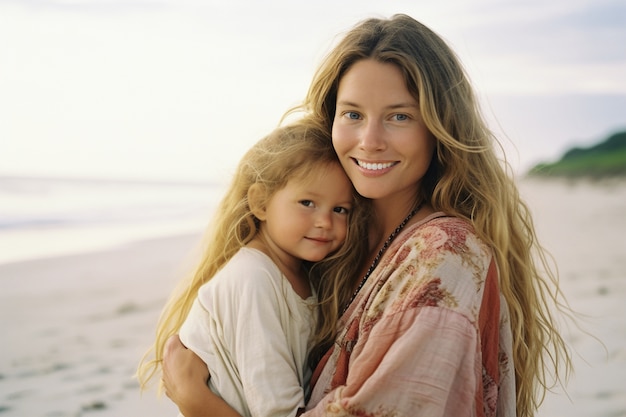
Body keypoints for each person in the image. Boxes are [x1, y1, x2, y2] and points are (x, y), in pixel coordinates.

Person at [160, 14, 573, 417]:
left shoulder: (446, 256)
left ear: (439, 127)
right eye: (353, 114)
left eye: (399, 116)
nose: (370, 141)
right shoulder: (332, 245)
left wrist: (198, 404)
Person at [137, 118, 370, 417]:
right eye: (307, 202)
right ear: (260, 203)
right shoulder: (253, 278)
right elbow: (277, 411)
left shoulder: (300, 275)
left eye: (340, 209)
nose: (325, 221)